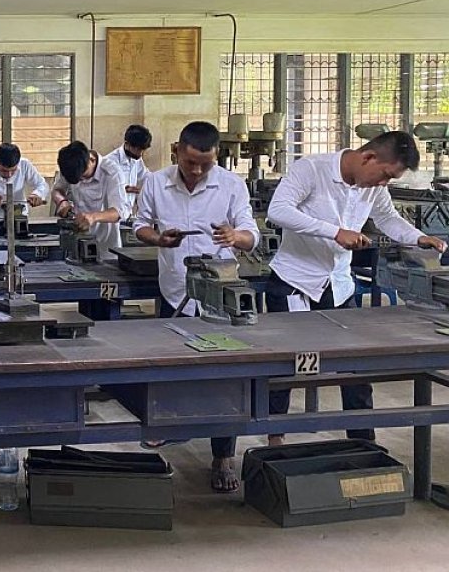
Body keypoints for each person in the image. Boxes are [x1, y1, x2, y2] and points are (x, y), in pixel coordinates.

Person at [266, 130, 447, 444]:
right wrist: (335, 232)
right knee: (286, 369)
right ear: (368, 158)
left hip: (338, 286)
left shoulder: (373, 187)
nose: (383, 184)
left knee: (355, 370)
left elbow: (387, 218)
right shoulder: (312, 169)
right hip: (294, 283)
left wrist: (417, 237)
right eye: (385, 175)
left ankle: (364, 445)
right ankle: (273, 442)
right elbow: (278, 211)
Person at [134, 121, 259, 493]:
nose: (199, 171)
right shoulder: (156, 183)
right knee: (170, 367)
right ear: (177, 151)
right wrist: (159, 238)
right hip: (173, 290)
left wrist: (237, 236)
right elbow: (140, 225)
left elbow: (250, 234)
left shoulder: (231, 185)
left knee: (224, 376)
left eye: (206, 164)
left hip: (219, 296)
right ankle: (167, 429)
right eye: (191, 163)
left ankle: (223, 454)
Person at [51, 141, 127, 259]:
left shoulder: (112, 173)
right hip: (76, 248)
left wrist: (93, 217)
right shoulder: (71, 165)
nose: (82, 180)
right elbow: (57, 190)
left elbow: (120, 212)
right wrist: (62, 202)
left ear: (91, 160)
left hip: (105, 251)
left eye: (83, 176)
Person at [0, 142, 49, 236]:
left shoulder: (25, 165)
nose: (9, 175)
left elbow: (42, 184)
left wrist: (37, 194)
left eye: (13, 170)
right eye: (4, 171)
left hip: (21, 224)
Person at [105, 124, 152, 220]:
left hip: (128, 214)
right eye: (138, 149)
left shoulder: (136, 159)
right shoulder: (110, 162)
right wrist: (127, 189)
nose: (140, 153)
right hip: (112, 215)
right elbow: (106, 189)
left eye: (142, 150)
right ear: (127, 144)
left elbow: (145, 176)